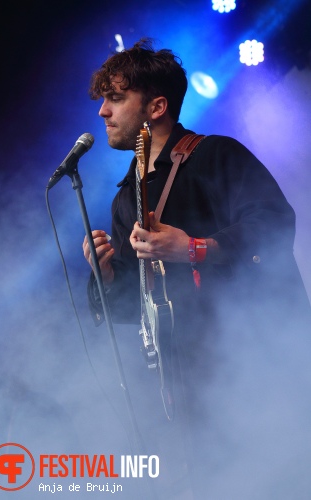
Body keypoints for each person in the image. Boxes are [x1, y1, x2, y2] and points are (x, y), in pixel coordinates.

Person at [82, 39, 310, 498]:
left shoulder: (215, 155)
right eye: (103, 100)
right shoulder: (126, 195)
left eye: (116, 98)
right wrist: (106, 276)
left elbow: (275, 224)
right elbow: (136, 305)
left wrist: (195, 248)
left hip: (254, 367)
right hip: (180, 383)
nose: (103, 112)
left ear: (157, 105)